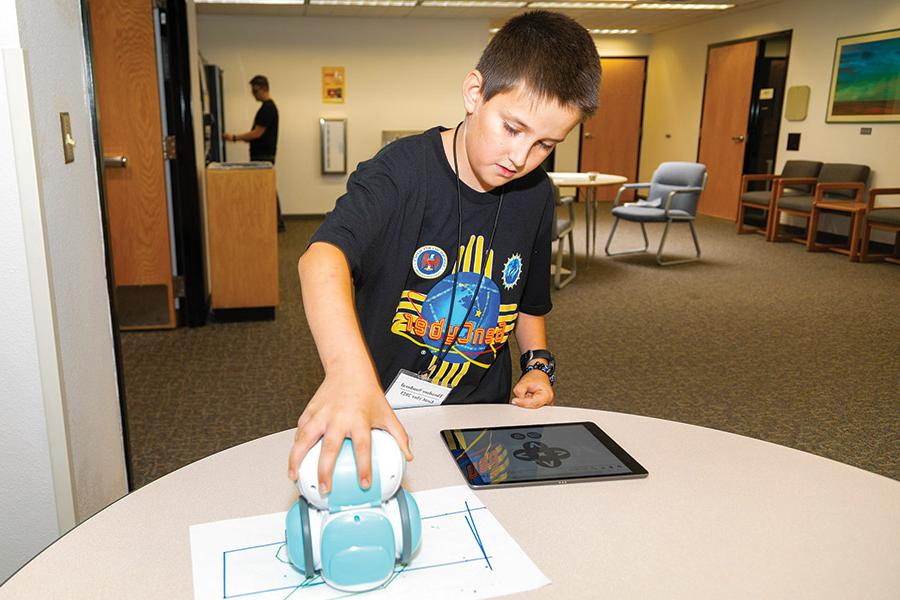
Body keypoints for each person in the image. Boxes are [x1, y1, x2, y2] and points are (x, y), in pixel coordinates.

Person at [289, 11, 601, 494]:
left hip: (484, 413)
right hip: (379, 405)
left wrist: (538, 364)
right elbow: (320, 258)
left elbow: (528, 302)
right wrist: (349, 374)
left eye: (545, 144)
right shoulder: (399, 172)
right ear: (475, 93)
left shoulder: (536, 194)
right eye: (512, 129)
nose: (520, 158)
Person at [224, 74, 285, 232]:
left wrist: (234, 137)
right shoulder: (267, 107)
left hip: (263, 155)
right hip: (264, 154)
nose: (253, 94)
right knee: (268, 187)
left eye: (255, 90)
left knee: (266, 188)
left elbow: (257, 133)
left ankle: (275, 223)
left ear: (264, 88)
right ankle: (276, 223)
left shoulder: (268, 109)